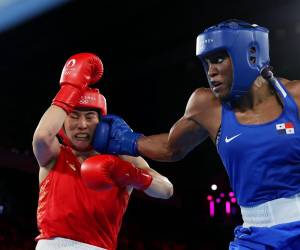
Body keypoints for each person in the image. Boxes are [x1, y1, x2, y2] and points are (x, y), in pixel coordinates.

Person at [91, 20, 300, 249]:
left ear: (251, 53)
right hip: (255, 235)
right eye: (207, 62)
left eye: (219, 58)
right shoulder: (207, 106)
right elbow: (171, 148)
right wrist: (126, 140)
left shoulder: (295, 97)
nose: (211, 71)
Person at [32, 52, 173, 250]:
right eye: (74, 116)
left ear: (102, 122)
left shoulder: (123, 158)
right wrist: (70, 87)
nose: (82, 124)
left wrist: (131, 174)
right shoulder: (54, 155)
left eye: (90, 117)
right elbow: (42, 136)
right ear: (62, 121)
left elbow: (166, 190)